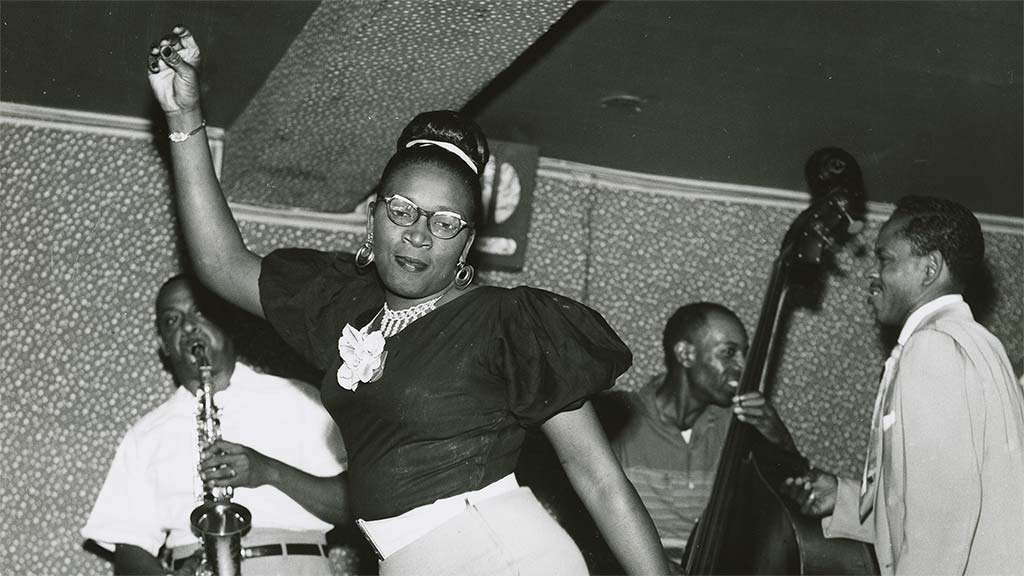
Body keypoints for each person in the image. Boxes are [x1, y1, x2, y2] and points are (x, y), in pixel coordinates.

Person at [146, 26, 670, 575]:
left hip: (503, 556)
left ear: (467, 241)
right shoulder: (343, 311)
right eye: (402, 211)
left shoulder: (509, 322)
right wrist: (183, 120)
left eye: (445, 223)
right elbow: (220, 264)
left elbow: (598, 476)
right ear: (373, 216)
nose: (419, 234)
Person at [784, 196, 1024, 574]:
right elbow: (934, 499)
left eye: (885, 259)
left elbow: (942, 518)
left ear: (930, 269)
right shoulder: (975, 344)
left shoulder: (934, 348)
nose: (872, 273)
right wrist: (845, 499)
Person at [81, 275, 349, 575]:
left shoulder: (301, 399)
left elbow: (353, 505)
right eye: (172, 320)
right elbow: (129, 549)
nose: (188, 327)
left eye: (200, 311)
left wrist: (267, 471)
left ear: (229, 323)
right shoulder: (145, 434)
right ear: (163, 346)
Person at [600, 302, 798, 564]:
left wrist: (779, 438)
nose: (744, 365)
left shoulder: (739, 424)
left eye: (744, 354)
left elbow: (793, 497)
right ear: (685, 354)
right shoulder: (620, 417)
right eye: (729, 352)